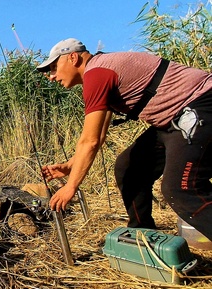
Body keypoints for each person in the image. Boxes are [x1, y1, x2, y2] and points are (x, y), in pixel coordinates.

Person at [36, 38, 212, 239]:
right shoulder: (101, 69)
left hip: (200, 107)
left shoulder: (97, 74)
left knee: (181, 190)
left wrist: (71, 187)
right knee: (128, 167)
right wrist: (71, 165)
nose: (51, 76)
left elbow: (90, 141)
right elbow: (99, 135)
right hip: (172, 121)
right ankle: (143, 237)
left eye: (53, 68)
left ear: (73, 58)